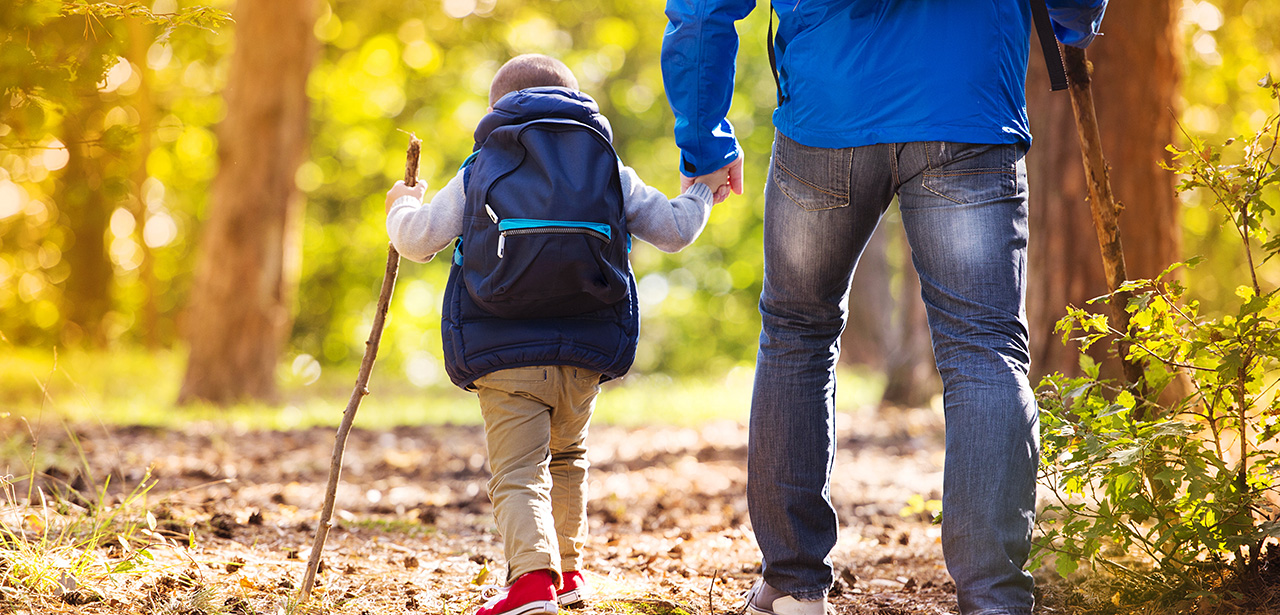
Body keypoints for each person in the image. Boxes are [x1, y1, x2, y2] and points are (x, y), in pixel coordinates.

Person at [661, 2, 1107, 615]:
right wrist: (1074, 20)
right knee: (984, 348)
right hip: (967, 100)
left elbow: (701, 9)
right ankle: (994, 601)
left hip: (829, 104)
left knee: (798, 332)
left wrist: (704, 137)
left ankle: (794, 586)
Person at [384, 53, 719, 615]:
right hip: (586, 349)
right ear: (576, 101)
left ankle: (532, 582)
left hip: (502, 348)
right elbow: (675, 230)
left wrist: (402, 205)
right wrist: (703, 190)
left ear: (497, 109)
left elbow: (418, 242)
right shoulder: (606, 165)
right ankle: (566, 574)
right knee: (567, 458)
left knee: (518, 472)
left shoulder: (483, 165)